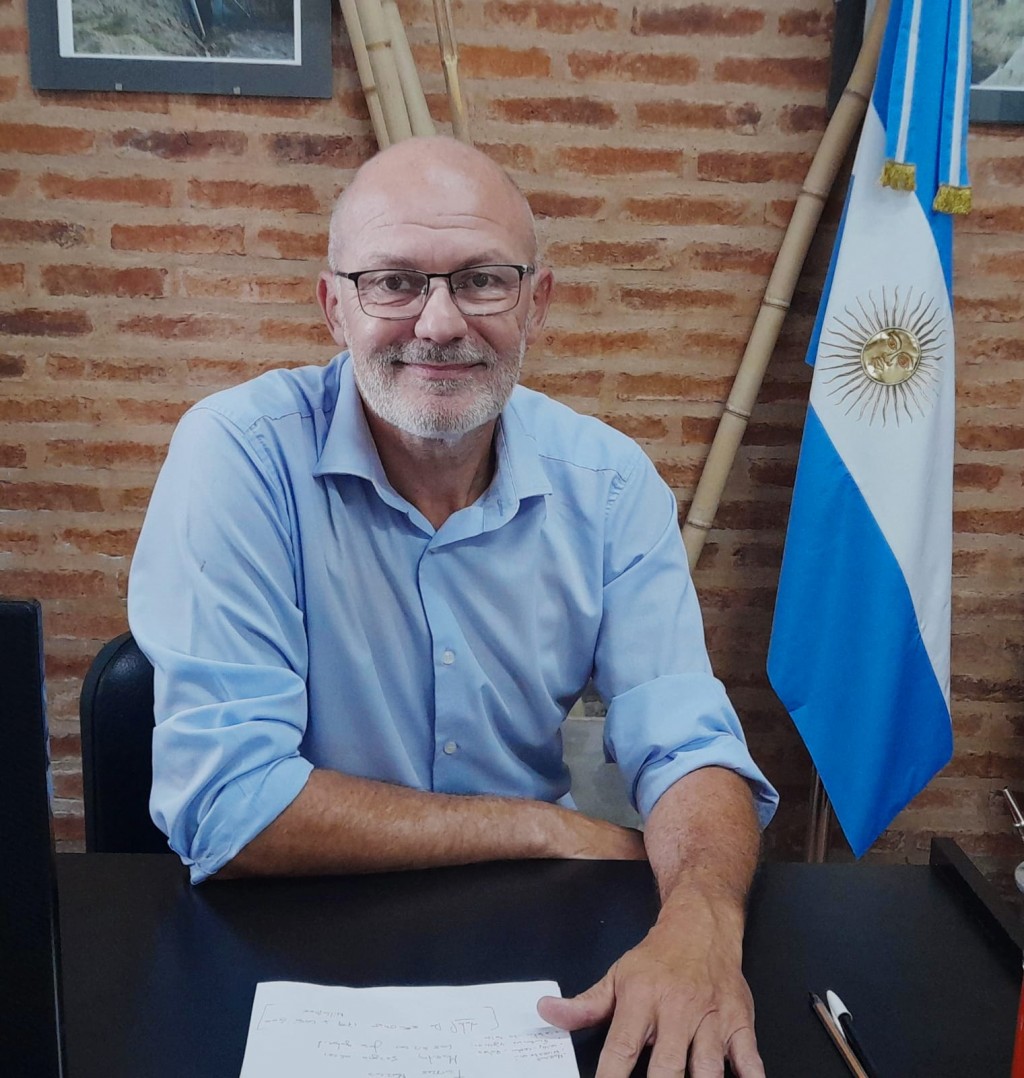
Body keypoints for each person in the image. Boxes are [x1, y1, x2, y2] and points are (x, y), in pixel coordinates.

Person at [128, 135, 778, 1078]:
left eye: (481, 281)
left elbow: (687, 744)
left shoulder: (607, 483)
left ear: (536, 302)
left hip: (532, 939)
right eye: (393, 282)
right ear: (334, 306)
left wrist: (703, 919)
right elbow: (230, 807)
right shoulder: (239, 456)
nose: (438, 323)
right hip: (292, 935)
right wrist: (544, 825)